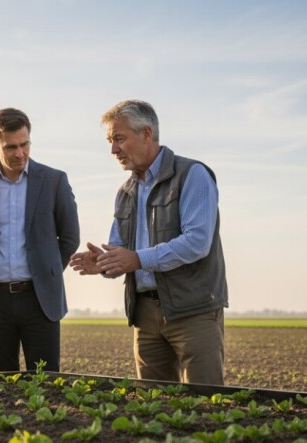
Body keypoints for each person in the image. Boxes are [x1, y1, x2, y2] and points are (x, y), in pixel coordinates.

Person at [69, 100, 228, 385]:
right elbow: (121, 250)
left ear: (146, 134)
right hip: (144, 315)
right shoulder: (126, 191)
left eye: (119, 139)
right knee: (153, 406)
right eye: (110, 140)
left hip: (193, 312)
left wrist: (138, 259)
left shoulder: (192, 175)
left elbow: (197, 242)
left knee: (206, 406)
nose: (113, 149)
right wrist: (104, 263)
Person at [0, 108, 80, 372]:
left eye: (24, 144)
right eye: (11, 147)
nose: (19, 153)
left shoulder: (54, 180)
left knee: (47, 383)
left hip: (40, 301)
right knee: (0, 385)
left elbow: (70, 237)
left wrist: (44, 272)